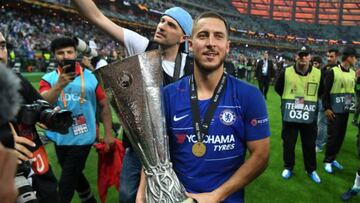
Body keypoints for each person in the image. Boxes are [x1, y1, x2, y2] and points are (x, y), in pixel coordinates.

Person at [137, 12, 270, 203]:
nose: (210, 43)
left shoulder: (250, 96)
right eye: (203, 35)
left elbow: (261, 155)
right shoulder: (167, 95)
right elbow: (154, 152)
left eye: (218, 36)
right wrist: (142, 194)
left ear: (227, 46)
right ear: (190, 45)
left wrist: (216, 196)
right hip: (176, 198)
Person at [70, 1, 194, 202]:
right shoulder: (142, 46)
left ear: (184, 37)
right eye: (162, 20)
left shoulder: (191, 66)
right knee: (128, 196)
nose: (161, 25)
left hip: (174, 149)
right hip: (138, 148)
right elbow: (96, 16)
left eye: (171, 25)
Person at [39, 37, 114, 203]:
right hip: (58, 137)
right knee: (75, 176)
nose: (65, 56)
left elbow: (104, 106)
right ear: (54, 55)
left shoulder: (92, 77)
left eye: (69, 52)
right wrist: (59, 85)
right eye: (60, 53)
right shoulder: (48, 78)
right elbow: (43, 103)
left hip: (83, 138)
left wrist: (108, 133)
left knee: (65, 186)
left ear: (75, 53)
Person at [0, 31, 60, 203]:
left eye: (2, 46)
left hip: (41, 178)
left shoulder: (17, 81)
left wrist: (49, 117)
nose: (0, 54)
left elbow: (42, 107)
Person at [275, 46, 323, 183]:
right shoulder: (286, 72)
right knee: (289, 143)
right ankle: (288, 167)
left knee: (309, 144)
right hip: (290, 115)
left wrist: (307, 103)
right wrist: (291, 101)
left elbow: (322, 91)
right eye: (300, 55)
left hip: (309, 116)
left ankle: (311, 169)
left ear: (309, 57)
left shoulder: (319, 73)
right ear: (296, 57)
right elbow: (279, 88)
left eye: (305, 55)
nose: (302, 58)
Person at [322, 47, 358, 174]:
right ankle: (327, 161)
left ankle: (333, 158)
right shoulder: (333, 72)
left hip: (345, 110)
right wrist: (326, 108)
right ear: (348, 57)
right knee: (333, 136)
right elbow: (325, 92)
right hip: (334, 110)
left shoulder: (353, 73)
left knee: (340, 136)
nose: (356, 59)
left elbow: (351, 91)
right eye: (354, 57)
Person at [315, 49, 340, 152]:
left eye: (331, 56)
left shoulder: (338, 70)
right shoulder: (326, 68)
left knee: (322, 123)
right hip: (324, 98)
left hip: (330, 100)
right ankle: (324, 142)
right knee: (325, 123)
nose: (328, 58)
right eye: (328, 56)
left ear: (337, 57)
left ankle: (319, 145)